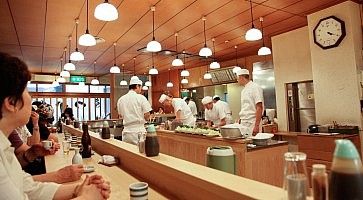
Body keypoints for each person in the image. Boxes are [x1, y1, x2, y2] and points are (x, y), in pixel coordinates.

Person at [0, 52, 110, 199]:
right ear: (12, 103)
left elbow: (28, 187)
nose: (30, 97)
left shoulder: (4, 147)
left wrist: (78, 189)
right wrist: (87, 197)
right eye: (26, 90)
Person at [8, 131, 84, 183]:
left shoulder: (10, 131)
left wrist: (33, 152)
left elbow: (10, 168)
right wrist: (59, 176)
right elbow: (16, 184)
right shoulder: (7, 131)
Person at [117, 76, 152, 145]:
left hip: (126, 133)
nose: (141, 89)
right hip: (138, 132)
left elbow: (120, 115)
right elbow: (147, 114)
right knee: (140, 154)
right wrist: (146, 119)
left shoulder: (121, 99)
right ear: (137, 86)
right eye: (140, 87)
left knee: (128, 153)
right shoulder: (141, 98)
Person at [236, 68, 264, 136]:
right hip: (244, 122)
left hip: (252, 122)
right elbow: (245, 107)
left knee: (253, 144)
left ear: (242, 77)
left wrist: (256, 125)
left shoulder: (255, 87)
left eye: (237, 78)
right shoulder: (243, 90)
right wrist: (240, 119)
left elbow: (259, 107)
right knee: (245, 144)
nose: (237, 80)